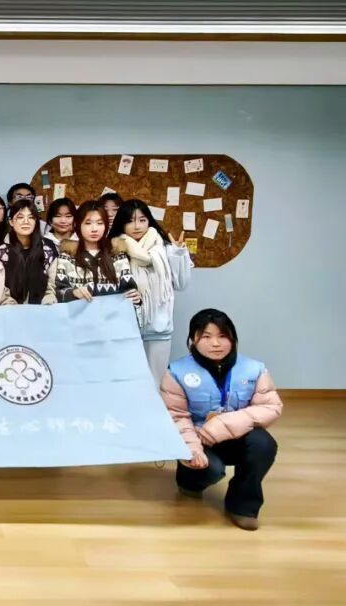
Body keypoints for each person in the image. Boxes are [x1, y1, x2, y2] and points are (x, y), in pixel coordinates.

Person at [160, 309, 283, 531]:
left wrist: (221, 426)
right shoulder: (177, 372)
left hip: (237, 436)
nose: (215, 343)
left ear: (233, 339)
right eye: (206, 336)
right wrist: (192, 450)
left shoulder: (254, 369)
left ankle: (243, 507)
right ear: (193, 339)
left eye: (223, 336)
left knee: (263, 444)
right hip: (199, 441)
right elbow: (176, 416)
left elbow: (271, 406)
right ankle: (188, 482)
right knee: (210, 469)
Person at [110, 199, 192, 384]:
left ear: (149, 221)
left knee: (156, 382)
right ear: (121, 223)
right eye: (130, 221)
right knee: (126, 380)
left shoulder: (164, 248)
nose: (137, 226)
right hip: (125, 328)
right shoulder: (114, 249)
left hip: (158, 327)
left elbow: (181, 283)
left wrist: (179, 253)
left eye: (142, 220)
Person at [54, 201, 141, 322]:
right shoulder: (67, 257)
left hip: (112, 324)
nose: (94, 229)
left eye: (100, 223)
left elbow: (129, 292)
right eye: (88, 223)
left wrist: (135, 298)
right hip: (78, 325)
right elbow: (58, 294)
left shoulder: (117, 255)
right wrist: (73, 293)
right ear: (77, 225)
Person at [0, 199, 59, 305]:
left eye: (31, 217)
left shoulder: (48, 248)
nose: (26, 221)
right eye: (20, 217)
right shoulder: (1, 250)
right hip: (9, 309)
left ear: (36, 221)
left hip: (43, 308)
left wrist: (48, 301)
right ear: (11, 221)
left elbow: (52, 284)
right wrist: (10, 305)